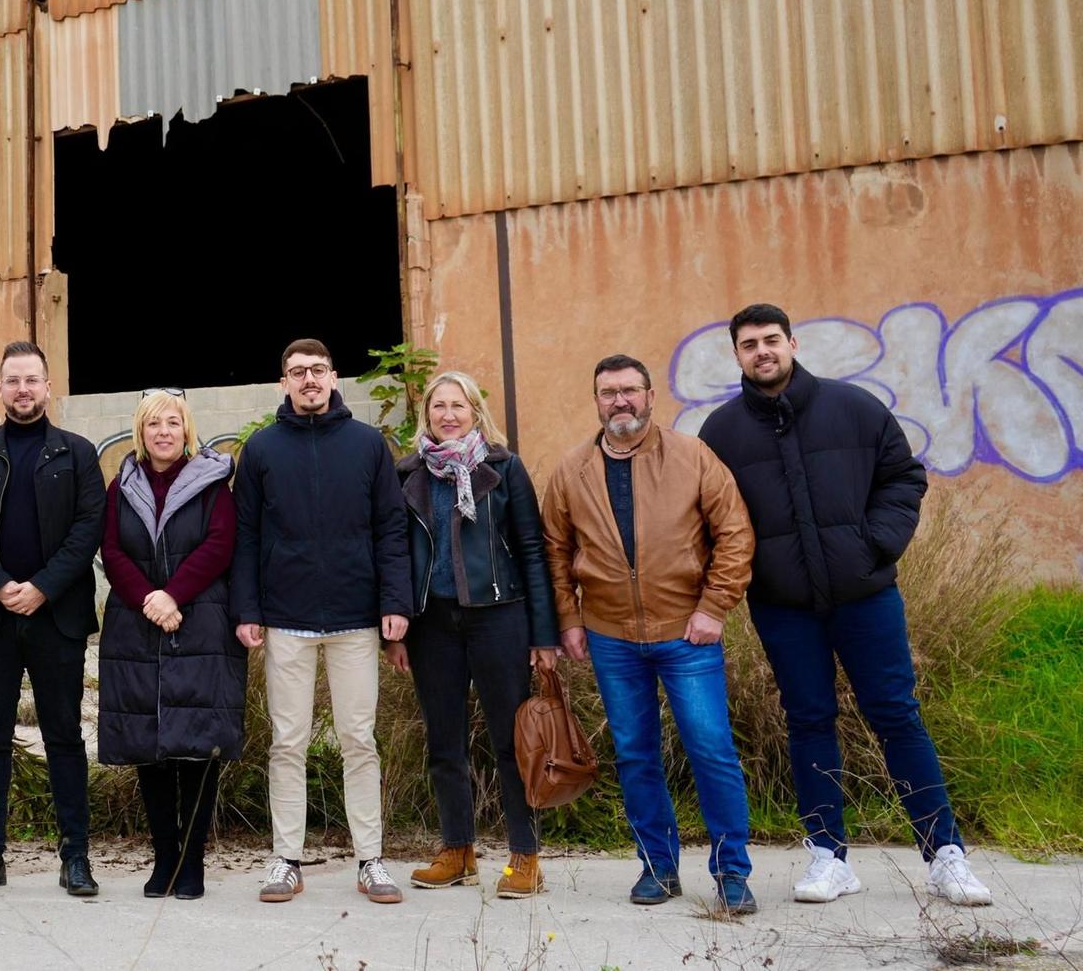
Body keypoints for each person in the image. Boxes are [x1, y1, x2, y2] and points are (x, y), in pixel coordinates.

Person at [699, 303, 991, 907]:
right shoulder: (721, 433)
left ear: (793, 342)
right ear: (736, 355)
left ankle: (945, 855)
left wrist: (874, 545)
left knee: (896, 714)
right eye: (749, 344)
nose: (762, 352)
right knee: (808, 722)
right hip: (783, 606)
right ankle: (828, 857)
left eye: (771, 340)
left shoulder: (853, 407)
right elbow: (709, 515)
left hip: (866, 597)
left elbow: (903, 478)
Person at [541, 354, 758, 914]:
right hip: (611, 635)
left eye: (630, 391)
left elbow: (734, 533)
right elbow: (555, 553)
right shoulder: (571, 470)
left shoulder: (693, 456)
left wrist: (714, 606)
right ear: (596, 401)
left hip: (687, 632)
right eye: (608, 392)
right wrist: (568, 618)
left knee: (711, 750)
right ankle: (657, 868)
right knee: (635, 754)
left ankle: (732, 871)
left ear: (649, 395)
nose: (620, 401)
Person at [230, 338, 412, 905]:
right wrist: (248, 611)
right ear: (282, 382)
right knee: (288, 742)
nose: (308, 379)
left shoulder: (367, 445)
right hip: (286, 620)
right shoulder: (260, 450)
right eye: (296, 372)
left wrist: (395, 602)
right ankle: (286, 859)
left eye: (316, 370)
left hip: (357, 618)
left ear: (333, 377)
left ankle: (371, 860)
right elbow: (247, 538)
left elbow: (390, 528)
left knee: (360, 739)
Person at [0, 341, 107, 898]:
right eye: (12, 381)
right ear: (0, 389)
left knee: (64, 735)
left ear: (47, 385)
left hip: (56, 616)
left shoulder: (78, 453)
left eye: (31, 380)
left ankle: (76, 856)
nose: (22, 390)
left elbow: (89, 528)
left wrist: (41, 587)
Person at [387, 371, 559, 899]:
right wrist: (395, 630)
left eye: (458, 405)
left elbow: (532, 549)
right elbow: (393, 553)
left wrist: (543, 633)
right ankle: (457, 850)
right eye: (438, 406)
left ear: (474, 411)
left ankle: (524, 856)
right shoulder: (407, 473)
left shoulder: (503, 468)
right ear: (427, 416)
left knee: (513, 742)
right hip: (431, 624)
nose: (448, 414)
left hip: (499, 617)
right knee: (444, 743)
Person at [98, 387, 243, 900]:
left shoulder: (213, 484)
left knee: (197, 744)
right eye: (154, 423)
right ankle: (163, 859)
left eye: (173, 423)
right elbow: (112, 551)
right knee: (151, 748)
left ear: (188, 431)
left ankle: (192, 863)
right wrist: (149, 600)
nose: (164, 432)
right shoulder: (122, 486)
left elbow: (220, 544)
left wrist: (173, 594)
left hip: (199, 623)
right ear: (141, 431)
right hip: (138, 626)